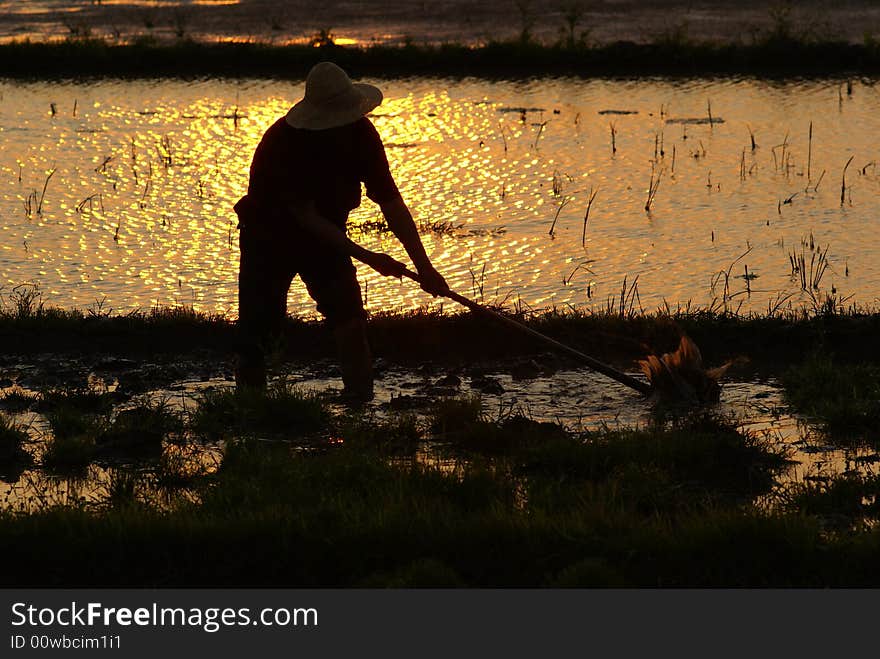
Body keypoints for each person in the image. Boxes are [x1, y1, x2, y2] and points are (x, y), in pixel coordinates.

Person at [233, 61, 449, 401]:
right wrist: (370, 257)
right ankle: (248, 410)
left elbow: (391, 202)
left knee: (349, 318)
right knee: (258, 334)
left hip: (326, 236)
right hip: (268, 238)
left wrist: (425, 267)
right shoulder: (284, 143)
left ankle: (360, 404)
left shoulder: (362, 136)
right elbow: (306, 218)